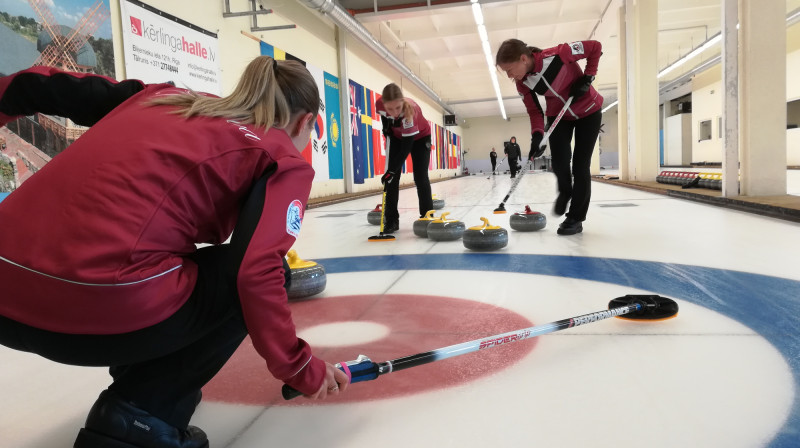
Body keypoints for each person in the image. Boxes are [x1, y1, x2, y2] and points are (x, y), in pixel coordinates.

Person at [0, 56, 349, 448]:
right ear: (305, 123)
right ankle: (141, 412)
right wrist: (301, 367)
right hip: (85, 315)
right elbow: (255, 272)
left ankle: (145, 381)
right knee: (238, 274)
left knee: (174, 263)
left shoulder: (160, 98)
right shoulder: (278, 154)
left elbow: (35, 85)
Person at [496, 38, 603, 235]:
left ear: (523, 59)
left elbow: (595, 47)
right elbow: (534, 111)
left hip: (588, 111)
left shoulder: (559, 54)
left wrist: (588, 78)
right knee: (561, 162)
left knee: (580, 166)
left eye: (510, 70)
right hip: (559, 115)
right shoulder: (523, 84)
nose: (510, 76)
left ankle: (575, 218)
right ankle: (565, 191)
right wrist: (537, 135)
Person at [375, 83, 433, 234]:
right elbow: (386, 122)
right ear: (384, 104)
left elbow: (406, 148)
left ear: (402, 102)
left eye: (397, 108)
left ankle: (427, 216)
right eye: (390, 109)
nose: (394, 112)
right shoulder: (379, 105)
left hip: (420, 137)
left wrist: (392, 170)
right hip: (397, 136)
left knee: (420, 176)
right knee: (391, 180)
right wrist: (386, 129)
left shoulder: (410, 112)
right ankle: (392, 220)